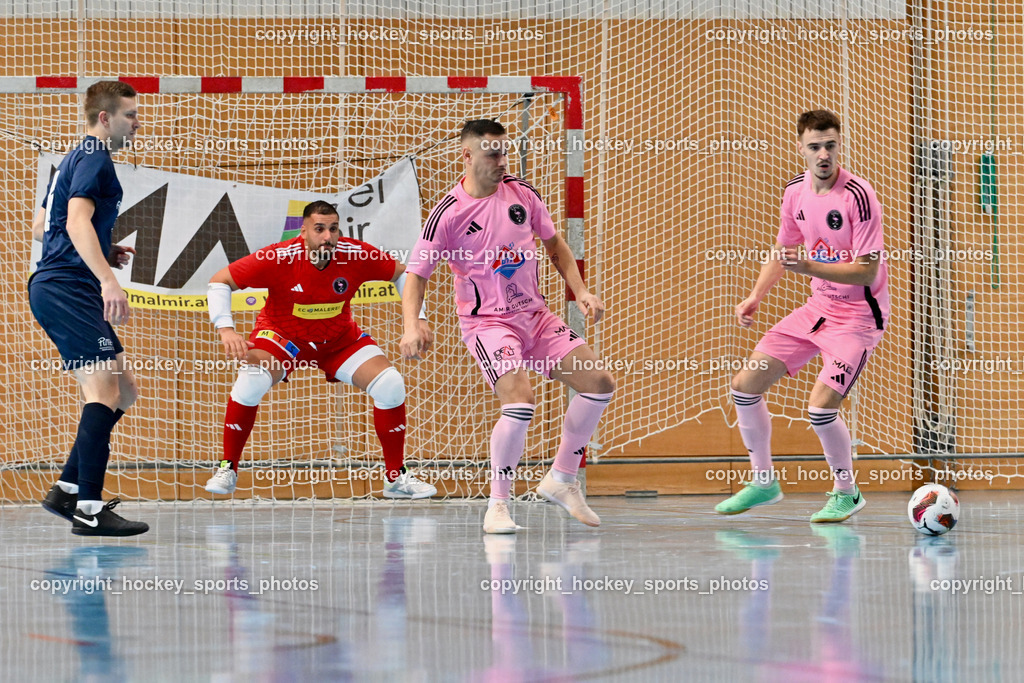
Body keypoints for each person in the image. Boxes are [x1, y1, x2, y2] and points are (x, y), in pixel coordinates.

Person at [400, 119, 616, 534]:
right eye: (493, 153)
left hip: (535, 316)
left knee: (599, 381)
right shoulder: (448, 213)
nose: (503, 160)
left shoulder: (523, 194)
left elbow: (556, 247)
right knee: (520, 399)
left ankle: (562, 478)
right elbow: (416, 275)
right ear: (467, 155)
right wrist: (413, 324)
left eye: (506, 152)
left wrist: (582, 292)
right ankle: (498, 504)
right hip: (488, 323)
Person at [716, 109, 888, 523]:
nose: (823, 154)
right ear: (801, 149)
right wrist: (755, 296)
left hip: (857, 319)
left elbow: (867, 269)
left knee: (820, 408)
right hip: (816, 311)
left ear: (840, 145)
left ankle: (847, 492)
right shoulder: (795, 192)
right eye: (814, 146)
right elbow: (785, 251)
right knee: (745, 384)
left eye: (830, 144)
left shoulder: (859, 196)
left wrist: (809, 267)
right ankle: (763, 482)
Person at [204, 200, 437, 499]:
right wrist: (225, 329)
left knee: (391, 385)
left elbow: (404, 275)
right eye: (319, 229)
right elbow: (219, 281)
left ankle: (396, 478)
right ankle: (228, 467)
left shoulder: (355, 254)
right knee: (250, 381)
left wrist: (417, 320)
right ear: (303, 232)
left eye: (333, 229)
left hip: (338, 340)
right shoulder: (278, 257)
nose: (327, 236)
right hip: (282, 338)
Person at [30, 80, 149, 536]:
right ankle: (90, 509)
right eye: (130, 115)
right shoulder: (95, 155)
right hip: (68, 288)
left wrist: (103, 245)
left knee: (126, 390)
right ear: (106, 118)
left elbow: (43, 226)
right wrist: (107, 279)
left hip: (61, 283)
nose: (136, 124)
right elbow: (75, 220)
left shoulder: (70, 159)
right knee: (102, 392)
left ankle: (66, 490)